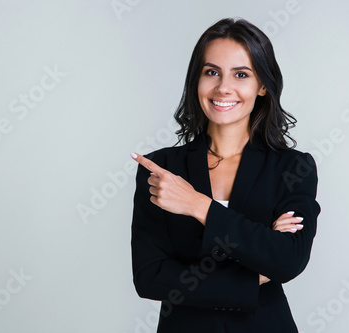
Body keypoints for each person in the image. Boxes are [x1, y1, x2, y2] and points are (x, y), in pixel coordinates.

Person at [129, 17, 321, 332]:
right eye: (212, 72)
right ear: (197, 80)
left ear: (262, 85)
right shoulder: (161, 170)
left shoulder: (293, 168)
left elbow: (288, 261)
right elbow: (150, 278)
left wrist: (197, 205)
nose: (223, 87)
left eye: (241, 74)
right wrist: (257, 269)